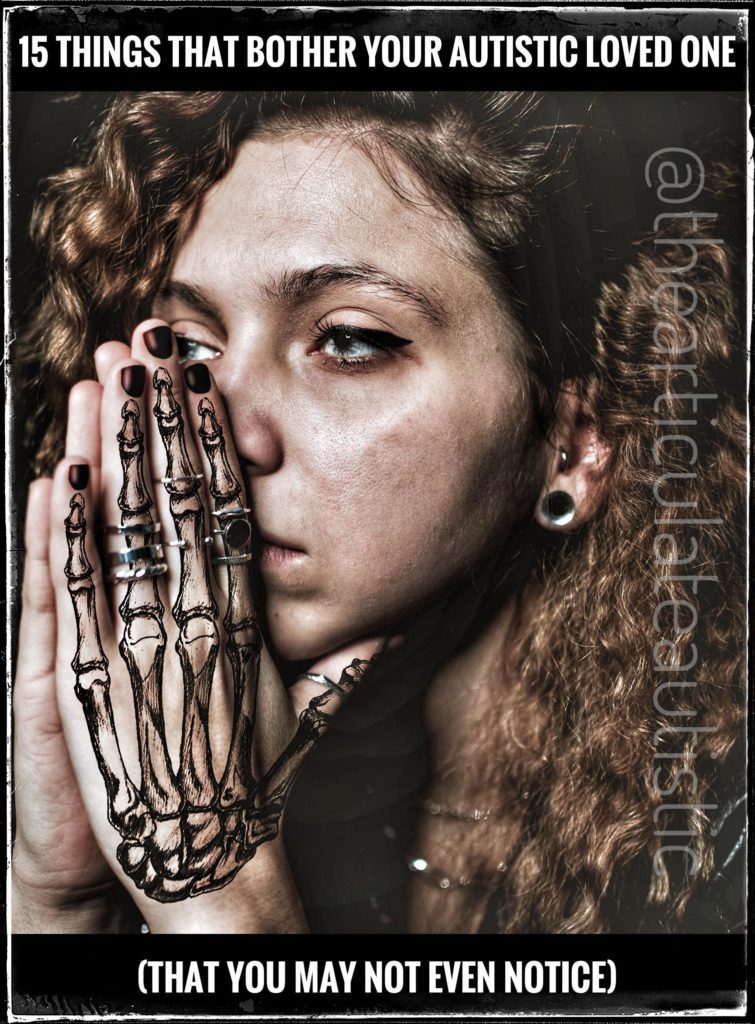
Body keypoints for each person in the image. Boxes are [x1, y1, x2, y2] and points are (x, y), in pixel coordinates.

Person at [11, 91, 746, 935]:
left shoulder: (719, 849)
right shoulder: (274, 782)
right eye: (184, 346)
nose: (228, 433)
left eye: (351, 339)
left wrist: (224, 909)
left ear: (576, 444)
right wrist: (62, 913)